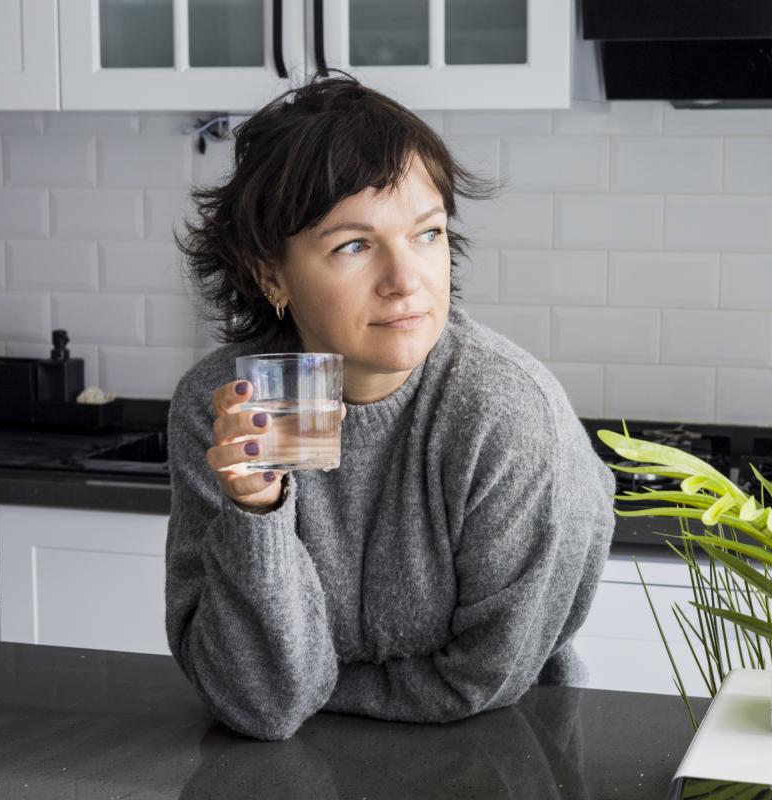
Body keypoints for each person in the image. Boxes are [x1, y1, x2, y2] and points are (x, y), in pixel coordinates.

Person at [167, 70, 616, 741]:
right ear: (269, 274)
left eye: (426, 234)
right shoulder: (234, 410)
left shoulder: (504, 416)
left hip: (494, 763)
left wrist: (317, 688)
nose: (406, 281)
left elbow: (482, 681)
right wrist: (256, 514)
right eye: (354, 245)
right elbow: (259, 704)